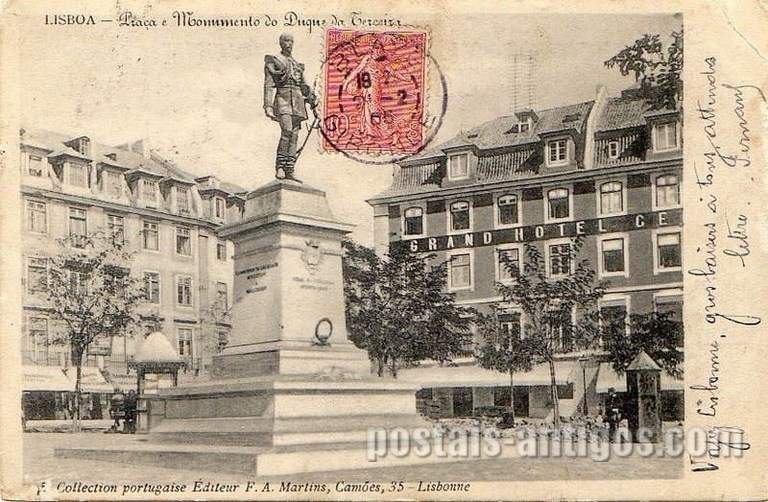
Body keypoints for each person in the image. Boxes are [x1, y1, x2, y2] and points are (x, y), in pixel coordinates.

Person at [263, 33, 317, 181]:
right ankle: (280, 166)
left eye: (291, 41)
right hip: (283, 99)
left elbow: (304, 86)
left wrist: (312, 101)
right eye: (286, 41)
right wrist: (268, 106)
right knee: (286, 131)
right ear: (281, 43)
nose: (289, 44)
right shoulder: (274, 61)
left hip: (298, 102)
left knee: (294, 135)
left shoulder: (297, 65)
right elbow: (268, 85)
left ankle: (290, 169)